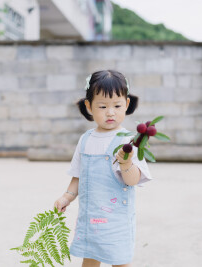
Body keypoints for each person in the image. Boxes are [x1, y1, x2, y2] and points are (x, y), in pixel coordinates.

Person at [54, 70, 153, 267]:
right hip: (90, 218)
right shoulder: (86, 139)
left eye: (117, 105)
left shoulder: (128, 141)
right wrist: (67, 196)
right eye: (102, 106)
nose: (110, 112)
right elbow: (78, 175)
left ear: (126, 104)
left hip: (116, 220)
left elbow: (133, 181)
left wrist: (126, 163)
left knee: (119, 260)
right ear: (89, 106)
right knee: (89, 258)